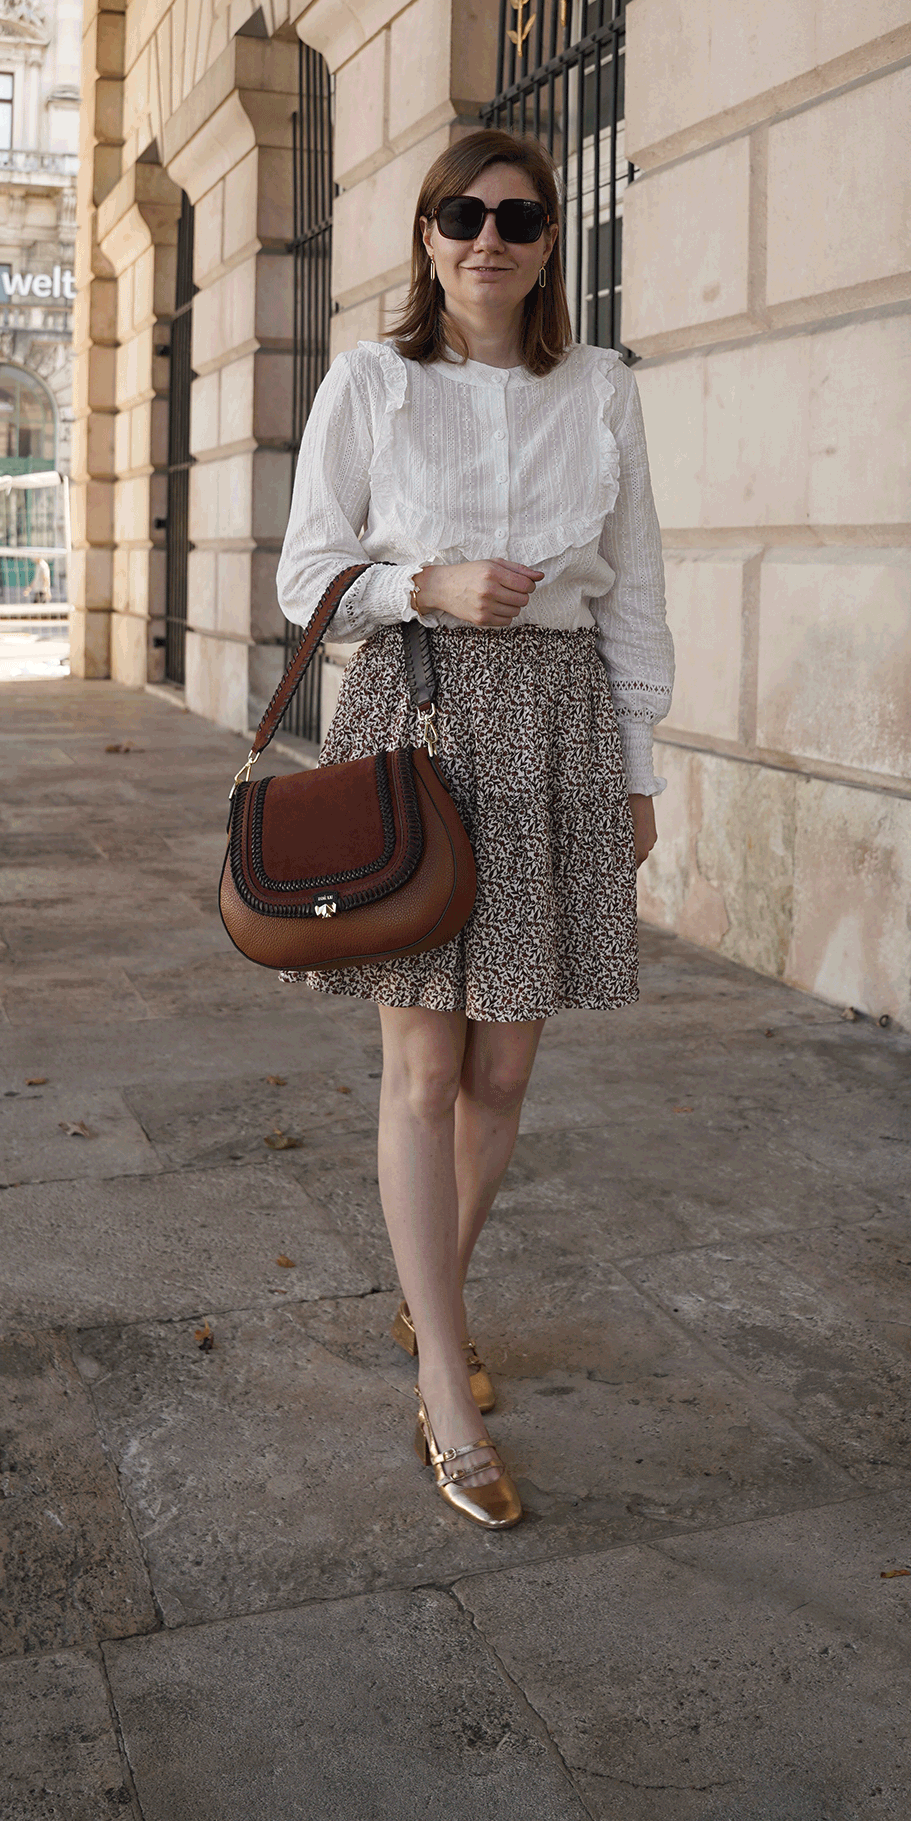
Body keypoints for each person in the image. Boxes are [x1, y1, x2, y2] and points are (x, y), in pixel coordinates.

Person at [276, 128, 673, 1531]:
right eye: (461, 215)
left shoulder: (602, 387)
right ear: (428, 237)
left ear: (551, 238)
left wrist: (637, 770)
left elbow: (633, 593)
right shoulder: (373, 381)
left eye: (515, 216)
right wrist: (422, 585)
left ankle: (422, 1300)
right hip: (420, 715)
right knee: (422, 1068)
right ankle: (444, 1374)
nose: (486, 238)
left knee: (505, 1067)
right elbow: (307, 575)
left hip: (559, 728)